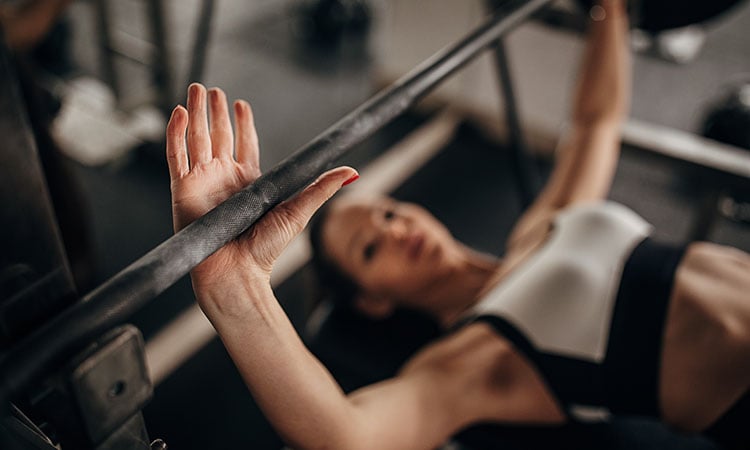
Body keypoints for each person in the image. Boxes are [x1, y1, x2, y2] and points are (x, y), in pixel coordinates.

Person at [166, 1, 750, 449]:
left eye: (389, 213)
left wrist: (609, 9)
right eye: (372, 250)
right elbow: (348, 436)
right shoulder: (475, 360)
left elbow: (595, 122)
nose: (395, 230)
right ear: (373, 302)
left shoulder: (542, 227)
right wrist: (236, 289)